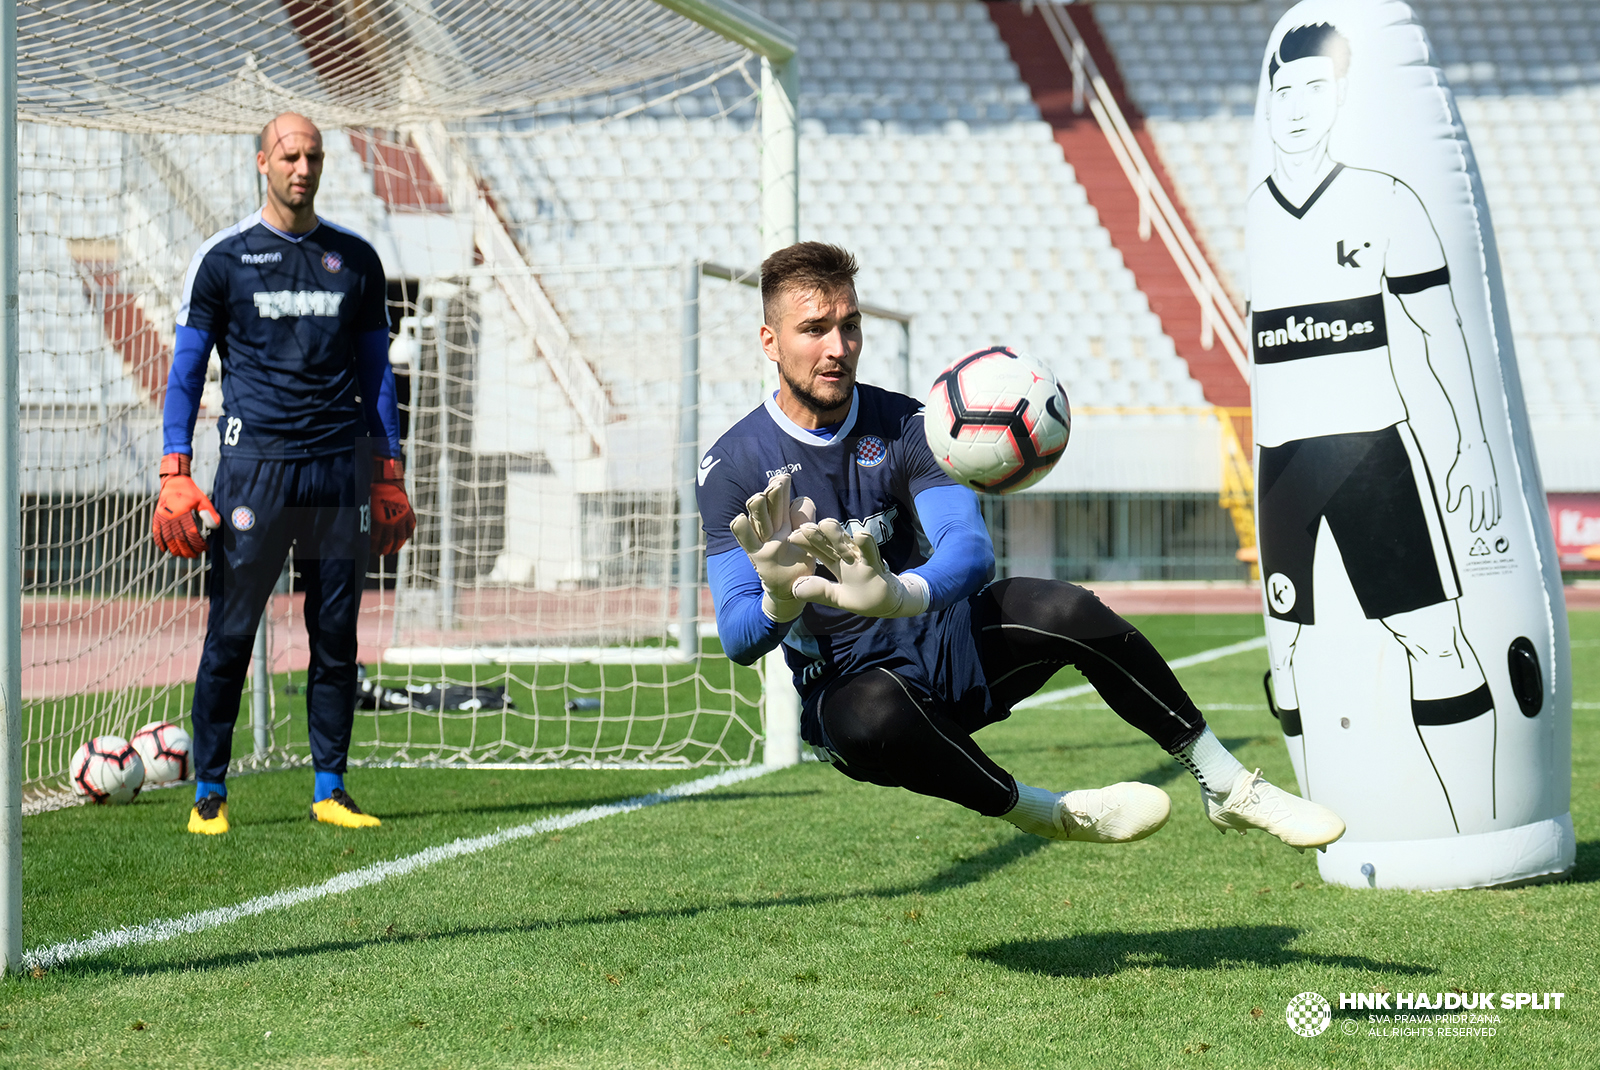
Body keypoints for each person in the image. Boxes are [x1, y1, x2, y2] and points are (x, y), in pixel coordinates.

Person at [697, 241, 1345, 850]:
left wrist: (900, 594)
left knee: (1068, 609)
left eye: (850, 325)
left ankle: (1225, 782)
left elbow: (970, 549)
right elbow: (736, 636)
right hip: (845, 684)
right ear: (771, 342)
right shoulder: (732, 465)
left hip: (936, 635)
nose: (838, 346)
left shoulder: (907, 425)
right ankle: (1048, 812)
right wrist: (780, 603)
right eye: (815, 329)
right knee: (876, 714)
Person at [1249, 23, 1500, 829]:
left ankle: (1472, 823)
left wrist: (1467, 447)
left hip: (1374, 456)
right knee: (1286, 659)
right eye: (1282, 91)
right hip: (1281, 463)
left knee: (1432, 638)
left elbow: (1444, 330)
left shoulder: (1386, 199)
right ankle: (1322, 822)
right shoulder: (1253, 215)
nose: (1294, 107)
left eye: (1314, 89)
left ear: (1342, 101)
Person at [154, 112, 415, 835]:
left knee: (336, 635)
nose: (302, 167)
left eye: (313, 156)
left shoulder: (357, 260)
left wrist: (387, 470)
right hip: (254, 474)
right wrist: (175, 469)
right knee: (231, 635)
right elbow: (185, 374)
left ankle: (329, 788)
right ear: (262, 162)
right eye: (289, 155)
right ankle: (211, 790)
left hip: (337, 476)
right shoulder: (223, 259)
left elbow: (376, 376)